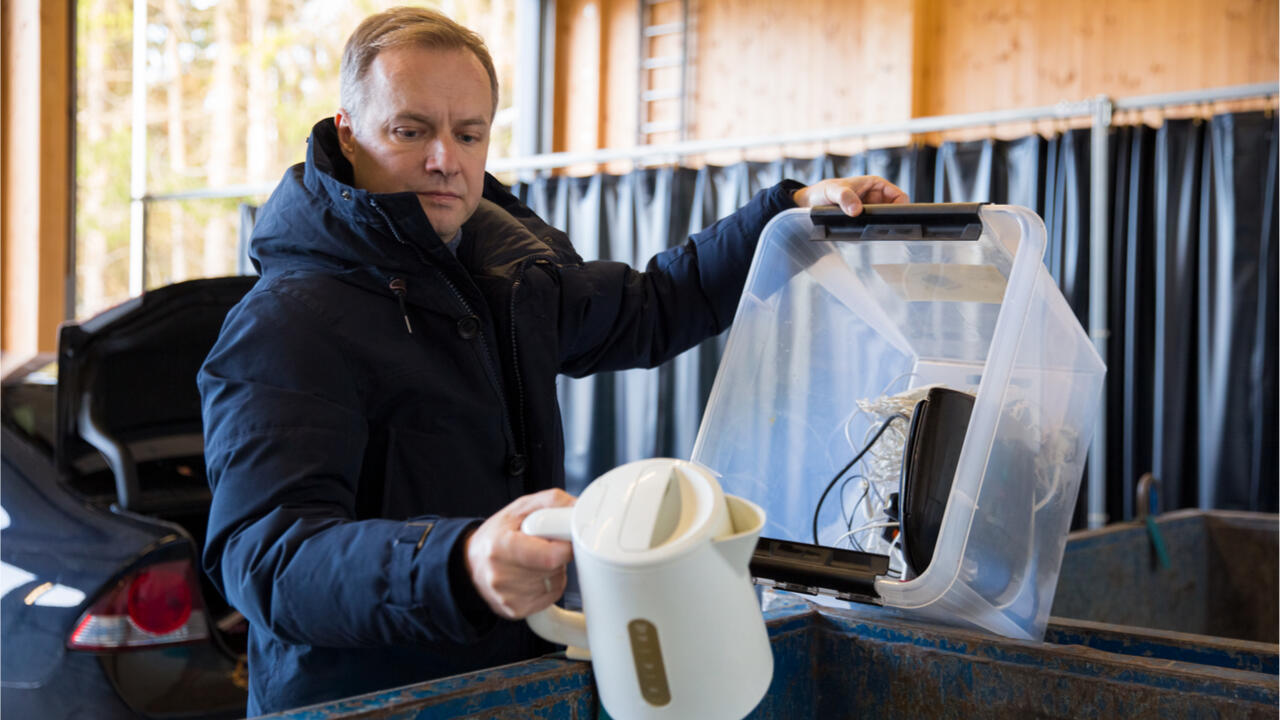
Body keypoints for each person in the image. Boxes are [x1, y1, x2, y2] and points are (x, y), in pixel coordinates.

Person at [198, 6, 907, 715]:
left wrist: (790, 215)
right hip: (368, 703)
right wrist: (459, 562)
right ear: (349, 133)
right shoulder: (286, 325)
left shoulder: (506, 281)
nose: (445, 158)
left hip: (514, 688)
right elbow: (267, 558)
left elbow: (659, 304)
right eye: (411, 130)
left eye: (467, 133)